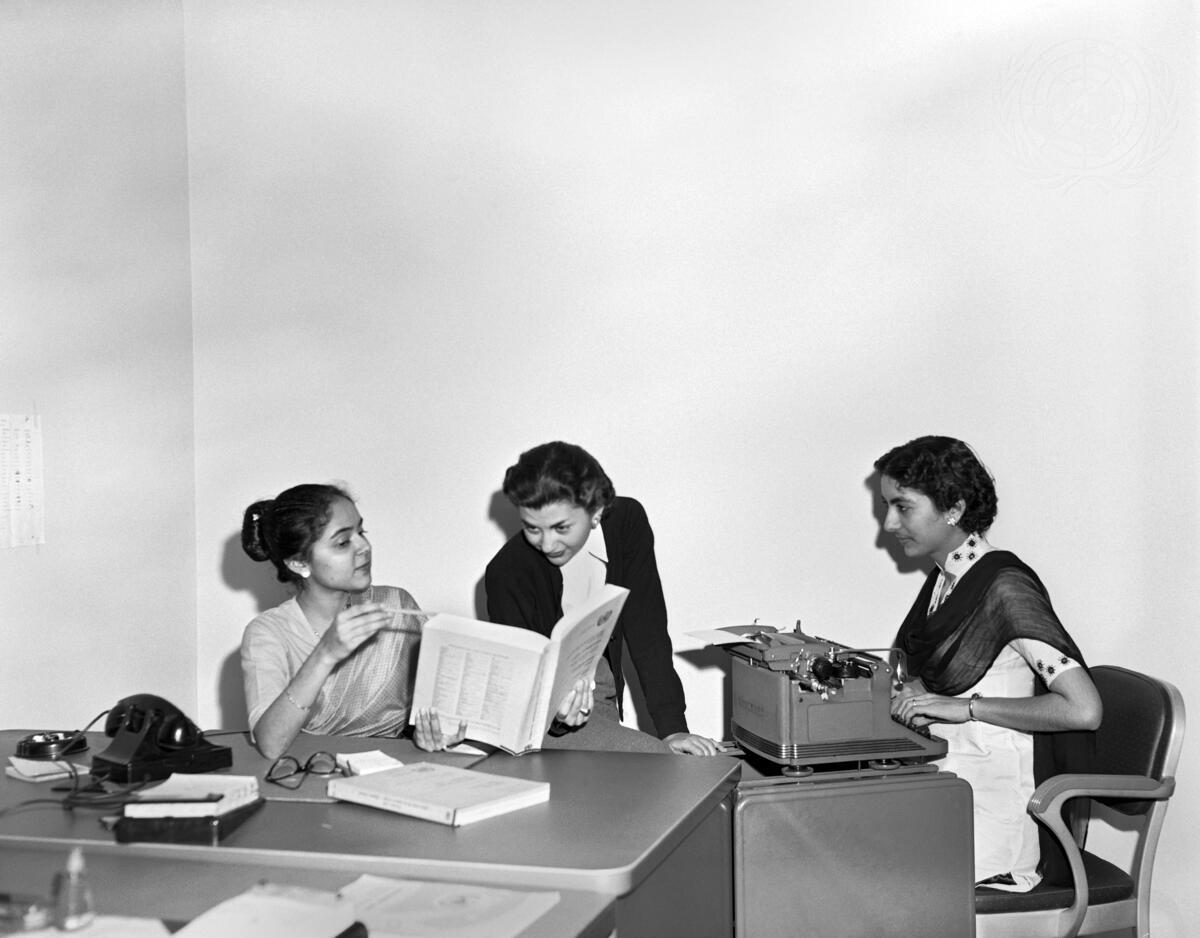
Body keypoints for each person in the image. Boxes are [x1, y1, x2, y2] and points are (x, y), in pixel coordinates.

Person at [876, 436, 1102, 891]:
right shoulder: (946, 580)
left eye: (903, 507)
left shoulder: (1003, 586)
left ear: (953, 509)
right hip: (950, 778)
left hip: (995, 805)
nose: (889, 523)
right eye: (887, 506)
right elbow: (936, 676)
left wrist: (968, 707)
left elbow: (1083, 709)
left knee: (876, 879)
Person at [483, 441, 719, 755]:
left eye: (561, 527)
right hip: (541, 719)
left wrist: (673, 728)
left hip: (599, 695)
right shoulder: (506, 571)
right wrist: (558, 718)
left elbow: (647, 629)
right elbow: (522, 692)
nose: (547, 544)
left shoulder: (626, 522)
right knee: (654, 762)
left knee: (675, 761)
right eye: (532, 528)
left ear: (596, 511)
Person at [241, 483, 451, 759]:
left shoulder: (395, 606)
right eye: (342, 542)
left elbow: (438, 702)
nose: (364, 547)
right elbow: (270, 744)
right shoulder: (269, 633)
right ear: (299, 563)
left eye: (361, 532)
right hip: (314, 771)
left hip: (396, 767)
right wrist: (325, 654)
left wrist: (432, 731)